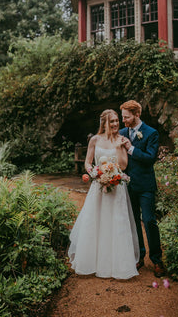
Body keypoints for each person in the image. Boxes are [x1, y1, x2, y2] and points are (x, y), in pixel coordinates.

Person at [68, 109, 140, 280]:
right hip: (99, 186)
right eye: (112, 121)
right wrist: (95, 173)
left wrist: (118, 148)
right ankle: (92, 262)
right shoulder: (95, 139)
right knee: (96, 221)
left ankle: (118, 266)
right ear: (104, 123)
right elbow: (87, 162)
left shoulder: (122, 140)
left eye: (117, 121)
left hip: (117, 188)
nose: (116, 124)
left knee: (117, 223)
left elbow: (122, 166)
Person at [119, 100, 165, 277]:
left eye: (127, 117)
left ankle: (157, 259)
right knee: (133, 221)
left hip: (145, 185)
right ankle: (139, 256)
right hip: (127, 185)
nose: (123, 121)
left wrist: (131, 149)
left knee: (149, 221)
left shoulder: (151, 133)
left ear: (137, 115)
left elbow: (150, 157)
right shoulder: (122, 132)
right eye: (123, 117)